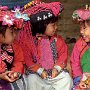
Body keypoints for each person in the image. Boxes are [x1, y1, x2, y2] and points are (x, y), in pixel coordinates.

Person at [18, 0, 73, 90]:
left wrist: (57, 68)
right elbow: (28, 60)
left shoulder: (57, 40)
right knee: (32, 80)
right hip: (38, 75)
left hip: (56, 74)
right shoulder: (28, 42)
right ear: (41, 25)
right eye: (53, 25)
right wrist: (40, 71)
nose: (56, 27)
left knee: (66, 79)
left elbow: (63, 55)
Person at [0, 5, 28, 90]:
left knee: (22, 81)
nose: (15, 35)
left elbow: (19, 61)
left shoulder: (15, 46)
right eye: (12, 32)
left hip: (9, 75)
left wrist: (16, 72)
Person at [71, 5, 90, 90]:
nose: (81, 31)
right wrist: (79, 79)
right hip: (82, 78)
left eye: (84, 28)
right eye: (80, 28)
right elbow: (75, 64)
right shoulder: (79, 44)